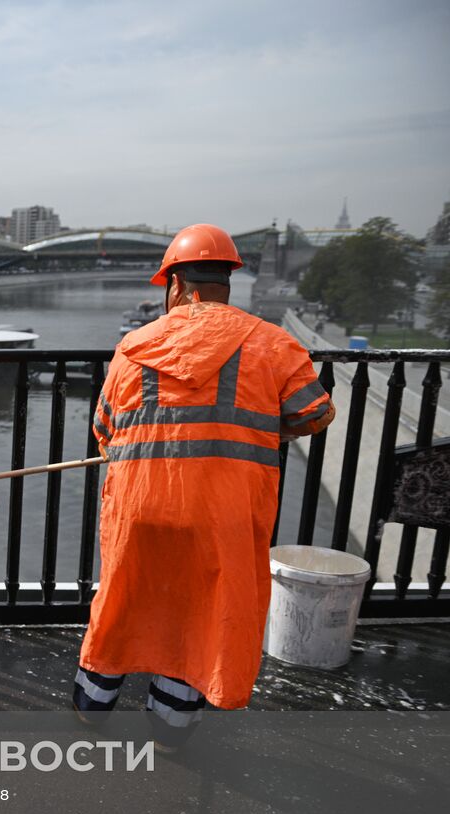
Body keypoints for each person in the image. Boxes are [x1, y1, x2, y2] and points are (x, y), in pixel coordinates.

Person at [74, 223, 336, 746]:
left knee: (124, 597)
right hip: (225, 512)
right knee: (202, 608)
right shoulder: (273, 344)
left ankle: (91, 705)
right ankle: (169, 723)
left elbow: (104, 430)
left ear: (175, 283)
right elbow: (314, 415)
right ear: (227, 282)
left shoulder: (134, 345)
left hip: (141, 506)